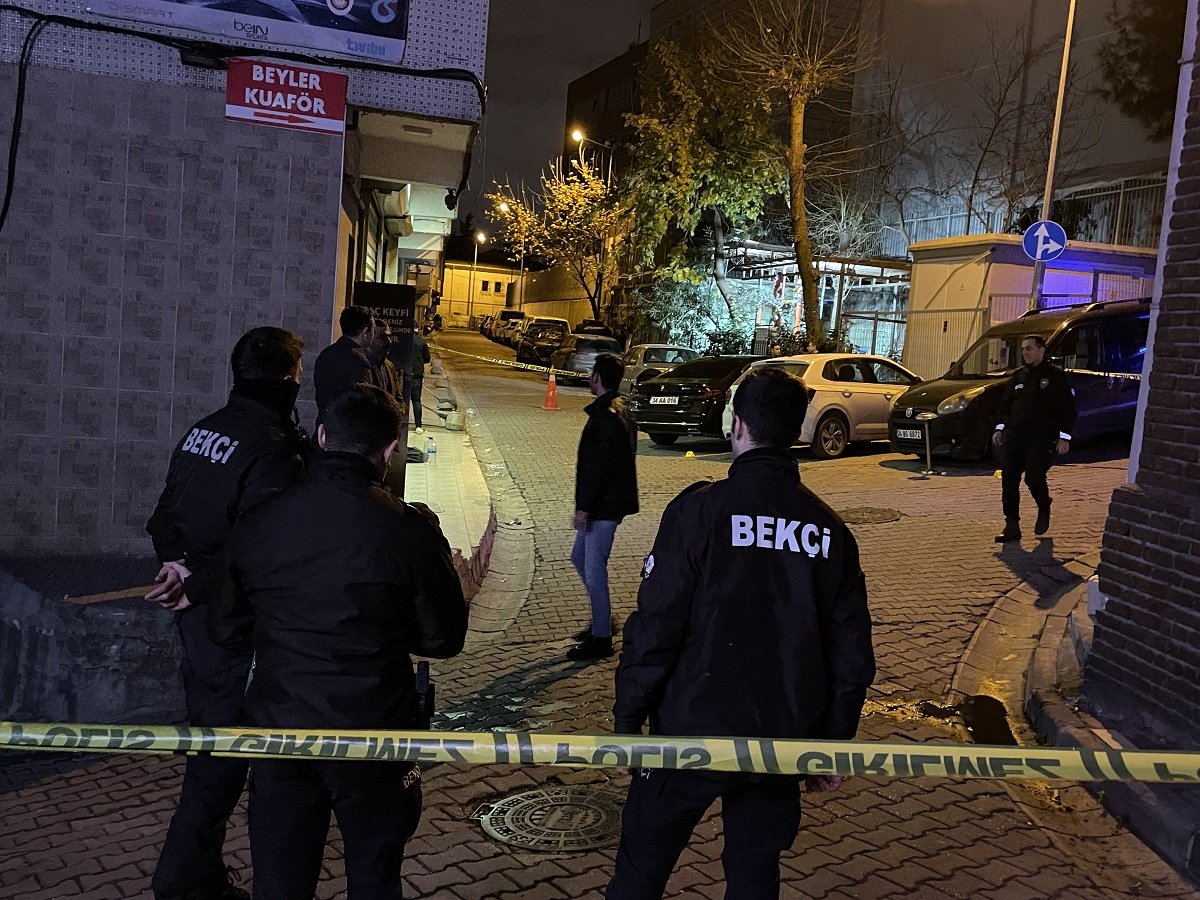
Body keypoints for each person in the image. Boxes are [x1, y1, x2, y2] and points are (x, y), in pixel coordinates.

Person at [606, 366, 875, 900]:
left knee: (641, 871)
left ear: (739, 426)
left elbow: (656, 625)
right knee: (755, 876)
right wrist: (831, 743)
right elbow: (851, 655)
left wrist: (628, 718)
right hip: (780, 739)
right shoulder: (830, 531)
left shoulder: (700, 510)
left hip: (687, 731)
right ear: (795, 432)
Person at [208, 385, 468, 900]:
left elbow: (224, 626)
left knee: (280, 881)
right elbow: (443, 639)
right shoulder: (407, 530)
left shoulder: (262, 519)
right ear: (389, 450)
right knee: (374, 874)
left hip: (280, 731)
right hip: (376, 732)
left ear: (323, 436)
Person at [144, 327, 312, 900]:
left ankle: (196, 874)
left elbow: (163, 517)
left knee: (214, 751)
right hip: (236, 628)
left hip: (200, 619)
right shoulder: (275, 449)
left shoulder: (204, 431)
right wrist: (197, 584)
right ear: (290, 377)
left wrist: (176, 568)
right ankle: (182, 881)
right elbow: (259, 549)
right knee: (221, 764)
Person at [569, 352, 639, 661]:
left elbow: (597, 467)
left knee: (594, 569)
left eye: (591, 373)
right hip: (609, 503)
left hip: (603, 506)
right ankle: (603, 617)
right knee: (579, 557)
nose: (589, 378)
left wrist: (584, 507)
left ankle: (601, 637)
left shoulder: (606, 416)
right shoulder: (619, 410)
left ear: (597, 377)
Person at [991, 334, 1077, 543]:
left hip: (1041, 438)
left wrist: (1064, 438)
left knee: (1033, 477)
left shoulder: (1055, 376)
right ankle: (1012, 525)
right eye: (1023, 349)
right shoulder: (1019, 376)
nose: (1025, 353)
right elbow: (1005, 406)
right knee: (1009, 480)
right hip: (1015, 436)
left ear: (1041, 350)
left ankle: (1044, 504)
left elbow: (1067, 409)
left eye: (1029, 348)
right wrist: (1000, 429)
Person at [313, 306, 378, 425]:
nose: (374, 334)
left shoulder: (326, 353)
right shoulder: (359, 361)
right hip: (345, 428)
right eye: (373, 329)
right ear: (365, 332)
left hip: (324, 424)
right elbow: (362, 402)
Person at [408, 327, 432, 433]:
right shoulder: (421, 341)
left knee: (402, 400)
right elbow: (427, 358)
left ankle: (400, 423)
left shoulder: (404, 339)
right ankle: (418, 425)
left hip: (404, 374)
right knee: (416, 400)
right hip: (417, 374)